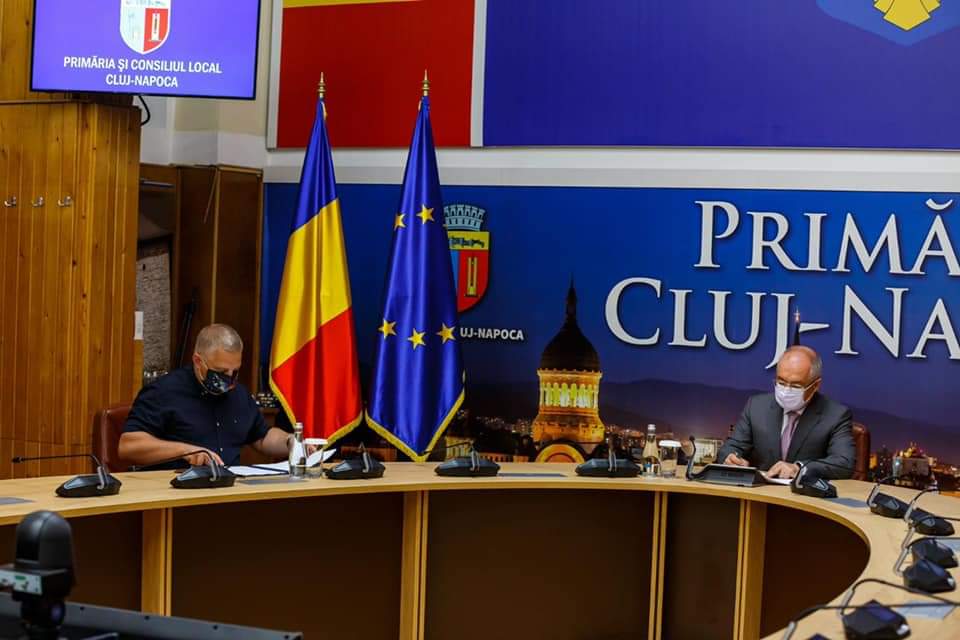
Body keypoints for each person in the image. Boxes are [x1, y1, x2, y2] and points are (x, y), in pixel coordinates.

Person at [120, 324, 297, 469]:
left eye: (234, 372)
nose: (229, 380)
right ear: (198, 361)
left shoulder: (239, 394)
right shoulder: (163, 392)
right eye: (221, 372)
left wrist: (290, 441)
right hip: (175, 490)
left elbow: (262, 437)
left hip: (228, 489)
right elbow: (128, 446)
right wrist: (185, 451)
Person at [717, 346, 855, 480]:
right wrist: (731, 458)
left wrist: (798, 468)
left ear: (816, 385)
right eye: (781, 382)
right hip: (760, 491)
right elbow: (731, 447)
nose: (786, 391)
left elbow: (844, 463)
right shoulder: (756, 406)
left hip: (803, 493)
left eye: (796, 385)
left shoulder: (836, 415)